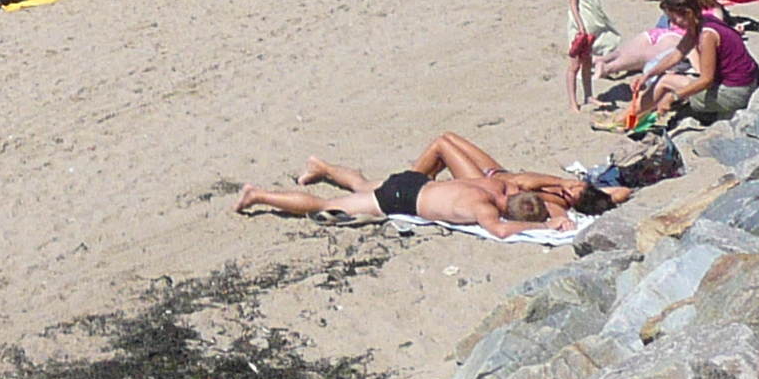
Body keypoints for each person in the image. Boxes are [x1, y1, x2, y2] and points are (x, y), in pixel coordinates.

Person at [232, 133, 619, 230]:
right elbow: (501, 230)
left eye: (573, 191)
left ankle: (323, 167)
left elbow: (513, 209)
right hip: (405, 196)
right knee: (323, 206)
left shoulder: (516, 194)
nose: (568, 186)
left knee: (364, 186)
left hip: (412, 188)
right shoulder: (505, 200)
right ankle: (259, 195)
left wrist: (562, 214)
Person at [617, 0, 759, 131]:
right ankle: (629, 117)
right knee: (664, 78)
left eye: (674, 19)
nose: (673, 24)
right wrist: (648, 74)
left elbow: (706, 80)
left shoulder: (707, 35)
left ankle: (623, 120)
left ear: (688, 13)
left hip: (734, 92)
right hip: (747, 81)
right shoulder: (703, 21)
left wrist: (673, 97)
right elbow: (677, 54)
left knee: (665, 82)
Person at [566, 0, 613, 113]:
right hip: (579, 26)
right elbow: (574, 3)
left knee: (587, 62)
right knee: (574, 65)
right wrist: (580, 25)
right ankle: (572, 102)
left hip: (591, 25)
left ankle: (588, 95)